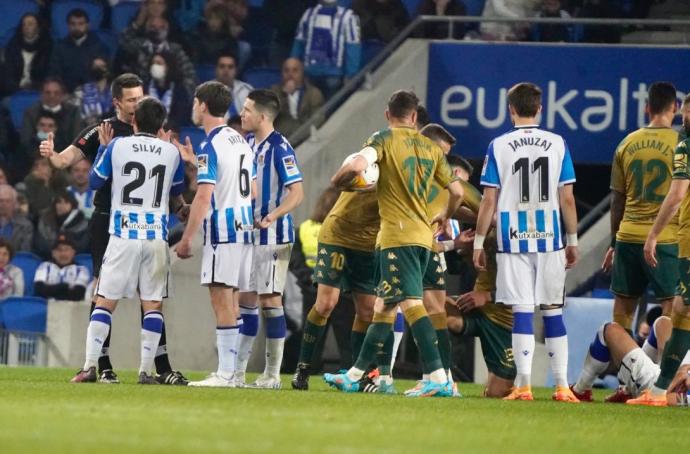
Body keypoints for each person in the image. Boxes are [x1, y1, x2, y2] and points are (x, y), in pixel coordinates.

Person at [39, 74, 188, 386]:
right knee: (122, 294)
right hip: (112, 222)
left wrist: (181, 205)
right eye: (131, 99)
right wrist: (51, 156)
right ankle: (107, 366)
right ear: (117, 102)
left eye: (140, 98)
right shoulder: (104, 130)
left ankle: (152, 366)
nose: (137, 103)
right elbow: (65, 160)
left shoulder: (118, 143)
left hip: (124, 226)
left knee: (120, 296)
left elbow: (95, 179)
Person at [325, 90, 464, 397]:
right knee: (384, 306)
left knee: (411, 304)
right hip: (423, 237)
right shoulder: (431, 147)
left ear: (388, 114)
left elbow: (359, 164)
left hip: (397, 236)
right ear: (415, 117)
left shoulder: (384, 138)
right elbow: (456, 192)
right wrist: (445, 215)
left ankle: (439, 377)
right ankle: (356, 374)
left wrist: (337, 181)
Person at [474, 82, 579, 402]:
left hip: (512, 239)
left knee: (521, 309)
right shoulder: (557, 143)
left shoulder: (499, 145)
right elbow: (567, 198)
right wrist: (572, 239)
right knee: (552, 312)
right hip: (550, 239)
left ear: (511, 110)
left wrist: (479, 241)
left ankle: (524, 386)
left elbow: (489, 200)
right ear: (540, 108)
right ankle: (562, 386)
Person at [174, 81, 254, 387]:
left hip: (223, 230)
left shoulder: (211, 146)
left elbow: (205, 196)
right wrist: (194, 162)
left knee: (220, 299)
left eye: (195, 103)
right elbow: (251, 188)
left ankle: (224, 373)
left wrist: (186, 238)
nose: (194, 108)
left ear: (202, 105)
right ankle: (232, 373)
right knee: (232, 303)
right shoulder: (239, 140)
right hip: (243, 228)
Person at [238, 89, 305, 389]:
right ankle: (237, 371)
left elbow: (297, 192)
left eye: (247, 109)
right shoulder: (249, 143)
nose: (242, 114)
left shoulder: (280, 147)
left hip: (274, 235)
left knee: (270, 299)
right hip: (251, 234)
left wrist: (274, 215)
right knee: (247, 299)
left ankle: (273, 374)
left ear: (263, 117)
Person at [601, 82, 680, 335]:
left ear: (647, 108)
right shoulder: (682, 145)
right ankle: (665, 373)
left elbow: (617, 202)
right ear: (675, 108)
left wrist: (614, 243)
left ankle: (626, 371)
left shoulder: (626, 144)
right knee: (671, 310)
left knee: (622, 311)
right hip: (666, 240)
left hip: (628, 237)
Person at [628, 100, 690, 406]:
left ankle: (664, 389)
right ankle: (660, 390)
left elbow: (677, 194)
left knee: (681, 310)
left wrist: (652, 235)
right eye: (686, 111)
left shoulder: (686, 145)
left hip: (688, 240)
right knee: (679, 309)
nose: (687, 117)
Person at [291, 188, 379, 390]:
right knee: (325, 305)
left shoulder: (402, 181)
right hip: (337, 239)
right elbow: (339, 178)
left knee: (368, 310)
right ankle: (303, 368)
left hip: (366, 245)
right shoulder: (367, 163)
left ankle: (357, 373)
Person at [570, 317, 672, 403]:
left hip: (661, 387)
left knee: (608, 329)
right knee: (661, 323)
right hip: (671, 387)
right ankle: (627, 390)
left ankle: (580, 390)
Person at [291, 0, 362, 99]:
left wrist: (293, 70)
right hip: (333, 74)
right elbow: (352, 49)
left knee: (312, 108)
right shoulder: (349, 17)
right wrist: (351, 74)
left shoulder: (308, 14)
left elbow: (298, 45)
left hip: (311, 71)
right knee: (331, 111)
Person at [115, 16, 197, 98]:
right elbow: (122, 43)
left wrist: (182, 95)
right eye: (152, 27)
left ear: (167, 30)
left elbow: (190, 76)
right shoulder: (136, 47)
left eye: (161, 27)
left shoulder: (176, 50)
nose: (157, 30)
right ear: (146, 28)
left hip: (172, 97)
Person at [48, 8, 108, 92]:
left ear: (88, 25)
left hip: (92, 94)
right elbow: (54, 73)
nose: (76, 27)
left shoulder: (98, 46)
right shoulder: (59, 47)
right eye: (73, 24)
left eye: (81, 24)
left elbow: (106, 74)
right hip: (66, 94)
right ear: (68, 25)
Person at [21, 78, 83, 153]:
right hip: (36, 156)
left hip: (66, 156)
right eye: (48, 93)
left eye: (56, 93)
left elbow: (76, 140)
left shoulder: (73, 112)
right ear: (41, 94)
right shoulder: (31, 113)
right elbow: (26, 141)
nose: (52, 96)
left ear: (62, 95)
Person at [270, 58, 325, 140]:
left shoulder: (314, 93)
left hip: (305, 138)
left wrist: (301, 132)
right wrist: (283, 94)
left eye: (295, 71)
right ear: (281, 73)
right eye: (286, 71)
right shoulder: (274, 92)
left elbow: (318, 119)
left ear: (302, 73)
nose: (290, 74)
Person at [1, 13, 52, 95]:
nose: (26, 27)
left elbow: (50, 73)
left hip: (40, 92)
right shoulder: (13, 46)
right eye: (23, 24)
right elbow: (8, 74)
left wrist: (35, 87)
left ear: (38, 27)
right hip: (14, 92)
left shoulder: (49, 47)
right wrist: (17, 89)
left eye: (30, 24)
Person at [33, 190, 89, 259]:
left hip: (74, 261)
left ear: (72, 205)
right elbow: (40, 244)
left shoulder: (81, 223)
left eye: (66, 202)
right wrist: (56, 252)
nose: (62, 206)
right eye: (59, 202)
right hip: (46, 259)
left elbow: (82, 246)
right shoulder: (44, 221)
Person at [35, 235, 90, 301]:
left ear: (73, 252)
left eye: (66, 249)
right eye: (59, 250)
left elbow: (77, 294)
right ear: (53, 253)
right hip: (46, 308)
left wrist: (50, 289)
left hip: (71, 308)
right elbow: (39, 290)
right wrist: (65, 287)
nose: (63, 254)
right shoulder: (45, 266)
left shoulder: (81, 270)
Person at [145, 51, 192, 129]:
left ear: (168, 66)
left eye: (159, 63)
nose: (155, 66)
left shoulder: (179, 89)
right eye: (153, 63)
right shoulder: (145, 87)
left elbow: (183, 115)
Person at [72, 57, 112, 125]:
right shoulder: (81, 90)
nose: (99, 69)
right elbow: (75, 115)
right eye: (95, 66)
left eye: (102, 66)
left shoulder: (114, 90)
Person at [215, 53, 253, 118]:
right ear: (216, 69)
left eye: (230, 67)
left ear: (236, 70)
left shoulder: (247, 89)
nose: (226, 70)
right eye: (222, 66)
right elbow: (200, 123)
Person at [0, 185, 33, 252]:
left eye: (8, 201)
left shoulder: (25, 226)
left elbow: (24, 251)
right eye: (1, 200)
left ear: (15, 204)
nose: (4, 204)